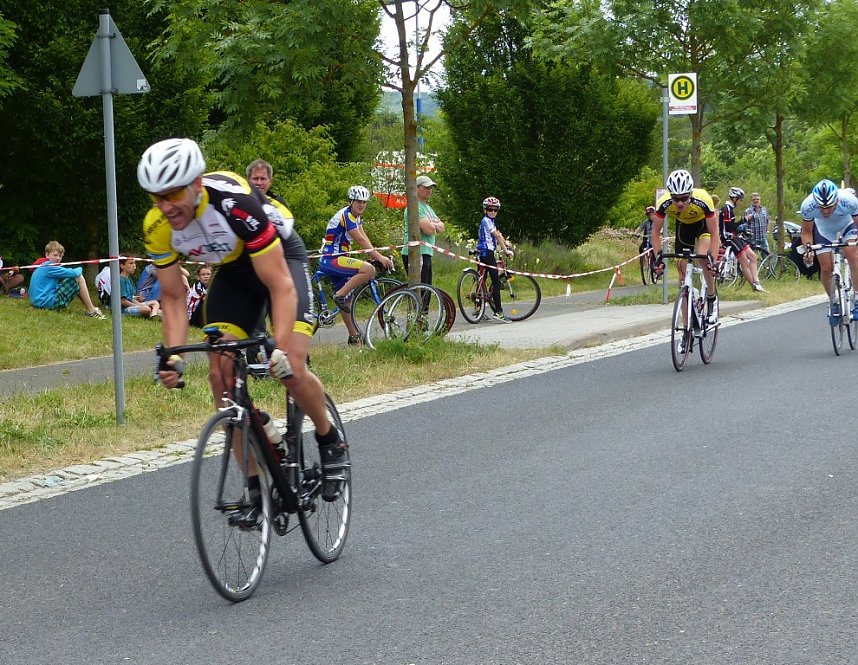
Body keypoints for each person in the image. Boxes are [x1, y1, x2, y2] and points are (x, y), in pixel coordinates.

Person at [139, 137, 347, 511]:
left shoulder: (234, 205)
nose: (166, 207)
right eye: (157, 197)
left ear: (196, 185)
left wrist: (280, 347)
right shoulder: (157, 225)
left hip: (281, 260)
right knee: (220, 376)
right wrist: (172, 356)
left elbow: (280, 286)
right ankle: (255, 485)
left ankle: (330, 439)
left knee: (292, 366)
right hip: (235, 272)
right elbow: (171, 296)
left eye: (172, 195)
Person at [652, 169, 720, 351]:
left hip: (704, 226)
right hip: (684, 228)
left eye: (684, 198)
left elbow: (715, 233)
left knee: (703, 256)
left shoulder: (703, 199)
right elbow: (655, 234)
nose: (680, 203)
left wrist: (714, 259)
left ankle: (712, 299)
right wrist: (658, 258)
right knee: (682, 273)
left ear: (690, 193)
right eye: (676, 199)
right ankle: (686, 331)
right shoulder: (664, 202)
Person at [319, 185, 395, 344]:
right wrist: (379, 258)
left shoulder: (355, 217)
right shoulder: (346, 216)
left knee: (348, 299)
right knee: (368, 270)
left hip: (339, 258)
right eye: (358, 201)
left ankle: (353, 336)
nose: (361, 205)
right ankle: (338, 295)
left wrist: (375, 253)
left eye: (364, 202)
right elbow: (360, 240)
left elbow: (364, 237)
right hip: (332, 258)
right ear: (351, 201)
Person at [799, 179, 858, 323]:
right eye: (821, 208)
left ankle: (857, 298)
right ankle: (834, 302)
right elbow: (806, 232)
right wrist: (808, 250)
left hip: (847, 225)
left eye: (829, 207)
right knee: (826, 268)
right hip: (824, 230)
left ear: (837, 201)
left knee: (853, 256)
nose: (825, 211)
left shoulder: (850, 201)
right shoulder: (807, 205)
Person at [28, 240, 105, 318]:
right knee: (79, 277)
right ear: (47, 255)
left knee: (70, 280)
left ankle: (91, 308)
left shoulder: (44, 265)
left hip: (36, 301)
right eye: (55, 255)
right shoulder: (50, 267)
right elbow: (75, 273)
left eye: (60, 256)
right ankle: (91, 310)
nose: (58, 258)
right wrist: (80, 268)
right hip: (45, 302)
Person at [476, 196, 514, 323]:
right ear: (485, 210)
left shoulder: (491, 222)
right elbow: (496, 236)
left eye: (495, 210)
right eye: (490, 209)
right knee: (496, 282)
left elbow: (499, 234)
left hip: (484, 253)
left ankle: (478, 310)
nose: (492, 212)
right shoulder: (486, 220)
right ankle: (498, 312)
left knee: (482, 281)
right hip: (486, 253)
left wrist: (506, 243)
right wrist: (506, 249)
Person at [719, 187, 765, 292]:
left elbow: (732, 226)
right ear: (735, 198)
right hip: (729, 238)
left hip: (734, 236)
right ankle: (754, 287)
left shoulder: (730, 209)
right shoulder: (727, 209)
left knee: (753, 257)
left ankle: (757, 282)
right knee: (744, 262)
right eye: (740, 200)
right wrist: (743, 221)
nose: (740, 202)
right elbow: (730, 227)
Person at [401, 174, 445, 284]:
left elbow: (442, 227)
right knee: (420, 289)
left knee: (426, 290)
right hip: (416, 252)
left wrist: (433, 224)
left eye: (431, 188)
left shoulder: (428, 208)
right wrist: (434, 224)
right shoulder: (415, 207)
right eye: (426, 187)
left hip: (426, 252)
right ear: (417, 188)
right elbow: (429, 230)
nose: (429, 190)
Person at [186, 263, 212, 327]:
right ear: (198, 277)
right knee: (205, 300)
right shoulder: (196, 288)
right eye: (203, 274)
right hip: (191, 317)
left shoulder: (212, 286)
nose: (206, 276)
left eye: (208, 274)